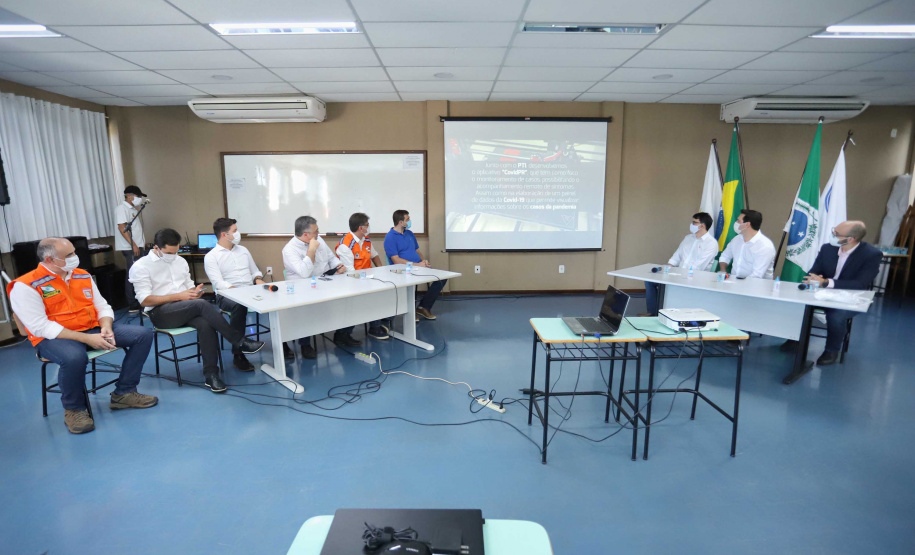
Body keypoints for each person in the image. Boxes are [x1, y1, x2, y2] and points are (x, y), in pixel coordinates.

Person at [8, 237, 157, 434]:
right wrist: (87, 339)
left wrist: (106, 326)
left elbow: (102, 306)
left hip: (91, 328)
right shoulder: (26, 285)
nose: (75, 257)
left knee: (143, 334)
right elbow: (40, 327)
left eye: (74, 252)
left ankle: (124, 393)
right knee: (74, 357)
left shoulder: (82, 275)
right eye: (69, 255)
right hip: (54, 338)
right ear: (50, 260)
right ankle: (74, 410)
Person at [129, 228, 264, 393]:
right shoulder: (141, 266)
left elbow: (188, 289)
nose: (173, 256)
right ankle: (239, 341)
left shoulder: (180, 261)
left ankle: (211, 375)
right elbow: (144, 300)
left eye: (176, 251)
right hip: (160, 313)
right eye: (169, 253)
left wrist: (195, 292)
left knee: (205, 323)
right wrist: (179, 296)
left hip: (184, 308)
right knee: (201, 305)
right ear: (156, 248)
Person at [781, 221, 882, 383]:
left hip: (850, 297)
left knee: (836, 314)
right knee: (798, 304)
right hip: (822, 292)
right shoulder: (828, 248)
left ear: (851, 239)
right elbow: (814, 271)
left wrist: (827, 282)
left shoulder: (871, 254)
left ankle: (831, 350)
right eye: (833, 231)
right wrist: (812, 279)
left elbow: (860, 284)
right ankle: (795, 339)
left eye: (836, 234)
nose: (832, 235)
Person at [282, 216, 358, 359]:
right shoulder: (289, 250)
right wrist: (311, 250)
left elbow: (331, 258)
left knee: (350, 297)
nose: (319, 233)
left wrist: (339, 265)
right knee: (306, 309)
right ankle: (305, 344)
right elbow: (304, 273)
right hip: (302, 290)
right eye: (316, 231)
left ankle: (343, 334)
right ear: (306, 235)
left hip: (325, 282)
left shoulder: (319, 240)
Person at [203, 217, 266, 372]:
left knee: (277, 299)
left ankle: (283, 344)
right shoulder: (211, 256)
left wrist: (258, 278)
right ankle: (238, 354)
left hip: (250, 291)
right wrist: (237, 291)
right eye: (235, 231)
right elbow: (218, 283)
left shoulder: (243, 250)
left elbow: (254, 271)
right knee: (239, 306)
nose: (238, 234)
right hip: (227, 296)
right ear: (224, 235)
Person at [643, 212, 718, 316]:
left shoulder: (711, 243)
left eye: (694, 222)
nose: (691, 224)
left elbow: (698, 266)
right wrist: (667, 268)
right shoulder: (688, 238)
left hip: (695, 278)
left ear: (702, 226)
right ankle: (652, 313)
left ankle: (666, 313)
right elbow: (676, 256)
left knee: (669, 285)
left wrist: (678, 274)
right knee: (650, 281)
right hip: (678, 274)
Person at [384, 209, 446, 320]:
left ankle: (423, 307)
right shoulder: (390, 237)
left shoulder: (409, 233)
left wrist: (424, 261)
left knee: (441, 278)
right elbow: (396, 260)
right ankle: (410, 311)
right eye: (407, 219)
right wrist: (418, 265)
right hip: (403, 269)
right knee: (411, 281)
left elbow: (417, 250)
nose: (410, 221)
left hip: (418, 266)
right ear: (401, 222)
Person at [336, 212, 390, 340]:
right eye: (367, 225)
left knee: (382, 291)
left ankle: (376, 325)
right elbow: (350, 272)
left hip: (366, 278)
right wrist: (368, 281)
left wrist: (381, 271)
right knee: (367, 297)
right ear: (361, 228)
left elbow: (374, 255)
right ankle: (343, 334)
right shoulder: (345, 245)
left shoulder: (366, 239)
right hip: (350, 281)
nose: (368, 227)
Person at [115, 185, 148, 312]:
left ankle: (139, 299)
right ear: (129, 196)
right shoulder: (122, 209)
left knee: (139, 273)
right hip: (130, 248)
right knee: (132, 273)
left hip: (138, 246)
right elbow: (122, 228)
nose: (139, 199)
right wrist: (133, 245)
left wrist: (141, 243)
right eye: (138, 196)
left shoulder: (133, 209)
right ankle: (132, 303)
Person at [718, 209, 776, 279]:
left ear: (747, 224)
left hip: (756, 284)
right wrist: (723, 271)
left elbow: (756, 275)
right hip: (734, 282)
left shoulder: (765, 246)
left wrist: (737, 282)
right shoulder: (736, 239)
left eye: (739, 221)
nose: (736, 223)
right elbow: (725, 256)